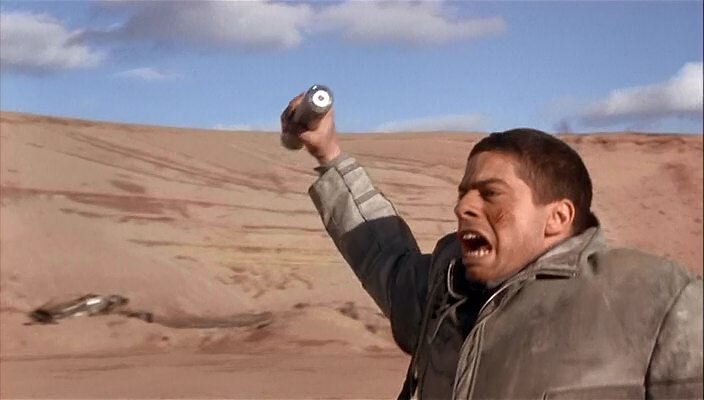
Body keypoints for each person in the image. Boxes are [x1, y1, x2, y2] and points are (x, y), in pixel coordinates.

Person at [280, 93, 703, 399]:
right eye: (464, 192)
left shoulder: (654, 299)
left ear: (557, 217)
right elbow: (384, 255)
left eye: (490, 194)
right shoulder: (447, 289)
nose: (463, 206)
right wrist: (330, 156)